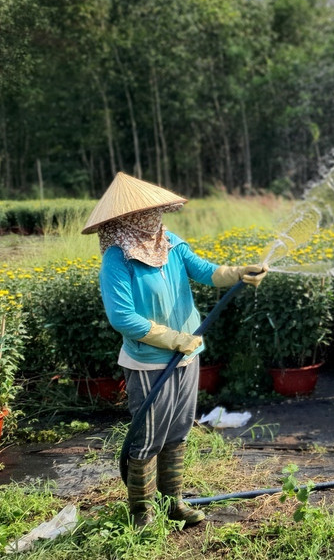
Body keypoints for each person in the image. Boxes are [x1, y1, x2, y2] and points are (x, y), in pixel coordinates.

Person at [82, 172, 268, 527]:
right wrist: (173, 339)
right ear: (124, 219)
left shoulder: (170, 243)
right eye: (145, 214)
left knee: (178, 430)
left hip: (187, 358)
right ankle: (141, 513)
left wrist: (240, 272)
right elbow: (122, 317)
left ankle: (174, 503)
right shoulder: (117, 260)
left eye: (156, 212)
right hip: (150, 362)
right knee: (148, 437)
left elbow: (206, 271)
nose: (154, 220)